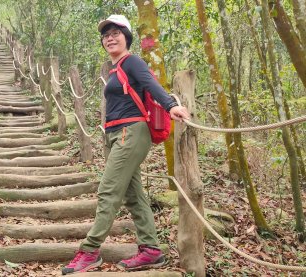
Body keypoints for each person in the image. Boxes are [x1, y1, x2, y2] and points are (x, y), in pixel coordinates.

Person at [61, 15, 191, 275]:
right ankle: (151, 250)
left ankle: (90, 251)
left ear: (127, 37)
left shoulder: (132, 62)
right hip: (116, 134)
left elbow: (150, 84)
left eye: (116, 32)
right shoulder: (113, 69)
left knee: (108, 191)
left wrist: (171, 105)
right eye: (106, 34)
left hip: (131, 132)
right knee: (133, 195)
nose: (110, 37)